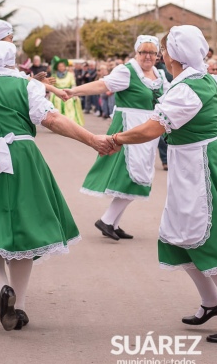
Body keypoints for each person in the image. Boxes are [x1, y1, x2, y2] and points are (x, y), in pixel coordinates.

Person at [110, 25, 217, 343]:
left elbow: (150, 130)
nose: (161, 55)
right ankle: (213, 302)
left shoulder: (187, 89)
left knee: (207, 238)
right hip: (197, 163)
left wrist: (114, 138)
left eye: (164, 50)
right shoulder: (206, 80)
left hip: (200, 166)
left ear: (174, 54)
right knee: (175, 235)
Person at [0, 41, 113, 331]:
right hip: (22, 158)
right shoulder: (27, 86)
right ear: (13, 60)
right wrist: (91, 140)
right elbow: (50, 119)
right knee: (23, 229)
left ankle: (3, 287)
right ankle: (21, 306)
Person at [67, 36, 169, 240]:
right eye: (143, 52)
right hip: (128, 125)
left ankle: (112, 222)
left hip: (147, 128)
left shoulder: (159, 74)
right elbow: (102, 85)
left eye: (151, 52)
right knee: (132, 176)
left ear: (157, 55)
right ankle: (107, 220)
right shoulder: (126, 71)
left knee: (135, 176)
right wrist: (73, 91)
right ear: (136, 53)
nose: (147, 56)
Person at [49, 57, 84, 125]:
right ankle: (59, 124)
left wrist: (75, 93)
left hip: (68, 94)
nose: (61, 67)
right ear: (57, 67)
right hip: (57, 96)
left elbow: (73, 85)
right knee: (57, 109)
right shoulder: (54, 76)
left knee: (69, 109)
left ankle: (70, 124)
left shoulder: (70, 75)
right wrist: (51, 94)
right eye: (59, 66)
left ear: (65, 66)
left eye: (62, 66)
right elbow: (52, 86)